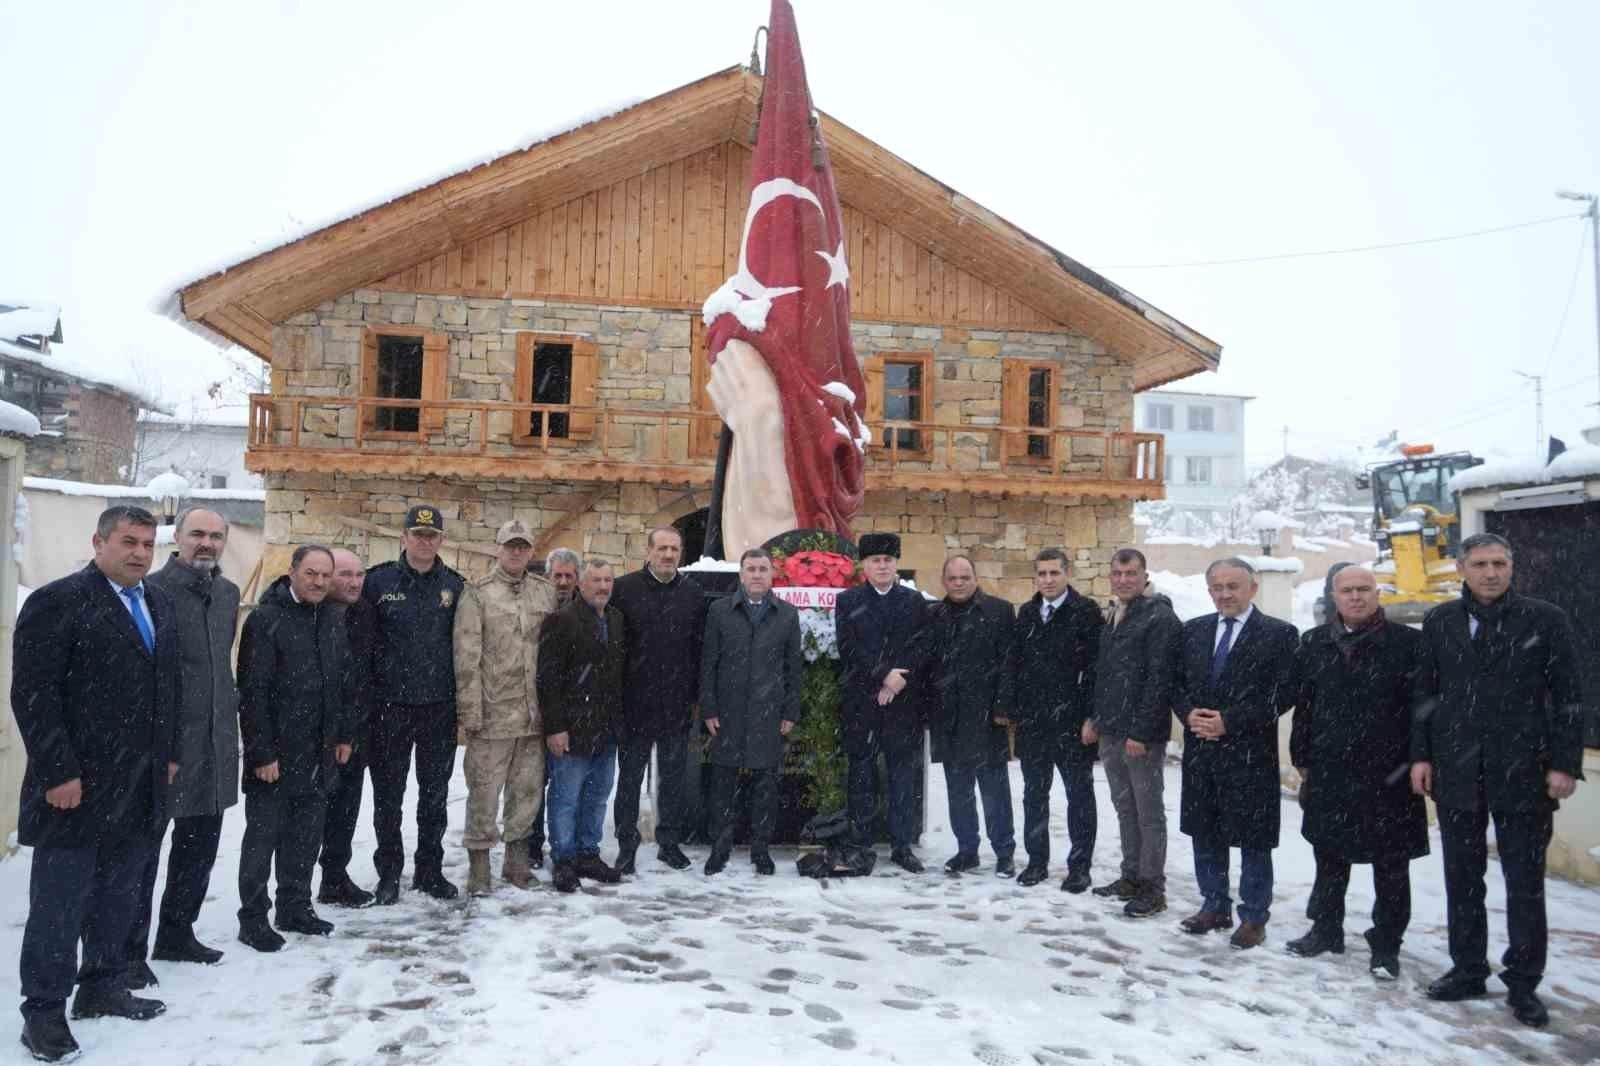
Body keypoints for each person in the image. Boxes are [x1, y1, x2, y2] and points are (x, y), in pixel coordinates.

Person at [12, 506, 180, 1061]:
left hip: (139, 783)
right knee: (59, 905)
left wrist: (170, 755)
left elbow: (169, 686)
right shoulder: (57, 601)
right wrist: (59, 772)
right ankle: (43, 1012)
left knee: (119, 894)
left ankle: (101, 985)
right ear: (98, 542)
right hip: (76, 786)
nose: (138, 553)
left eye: (147, 544)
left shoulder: (156, 601)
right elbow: (34, 695)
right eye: (128, 542)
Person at [1412, 533, 1586, 1027]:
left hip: (1526, 771)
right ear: (1462, 569)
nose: (1492, 573)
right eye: (1481, 564)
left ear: (1512, 567)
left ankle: (1524, 983)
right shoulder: (1441, 620)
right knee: (1462, 878)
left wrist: (1564, 763)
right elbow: (1426, 692)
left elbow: (1570, 695)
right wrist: (1421, 756)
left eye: (1501, 563)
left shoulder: (1545, 619)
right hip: (1457, 770)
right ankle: (1467, 969)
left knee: (1524, 884)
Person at [1288, 565, 1427, 979]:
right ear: (1334, 596)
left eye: (1364, 589)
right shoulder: (1314, 643)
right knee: (1328, 854)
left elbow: (1423, 710)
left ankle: (1386, 943)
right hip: (1330, 769)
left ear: (1377, 592)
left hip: (1391, 772)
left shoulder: (1409, 644)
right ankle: (1326, 929)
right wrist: (1302, 757)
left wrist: (1421, 758)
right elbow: (1305, 707)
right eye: (1347, 590)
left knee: (1391, 864)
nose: (1356, 597)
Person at [127, 507, 239, 980]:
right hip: (164, 747)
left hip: (214, 742)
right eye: (197, 534)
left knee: (199, 846)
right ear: (177, 536)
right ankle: (127, 953)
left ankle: (176, 933)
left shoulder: (229, 593)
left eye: (215, 536)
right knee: (141, 855)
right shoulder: (152, 591)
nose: (206, 543)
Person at [1173, 557, 1298, 950]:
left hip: (1248, 754)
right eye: (1217, 587)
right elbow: (1174, 683)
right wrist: (1188, 712)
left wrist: (1231, 721)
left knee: (1253, 839)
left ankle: (1254, 917)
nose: (1225, 594)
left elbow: (1284, 694)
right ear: (1208, 590)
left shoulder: (1279, 634)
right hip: (1201, 751)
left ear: (1252, 588)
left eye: (1233, 586)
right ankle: (1214, 905)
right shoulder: (1193, 631)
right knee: (1205, 832)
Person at [235, 546, 356, 952]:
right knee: (263, 839)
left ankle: (294, 906)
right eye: (311, 574)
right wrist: (261, 753)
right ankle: (252, 918)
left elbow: (339, 684)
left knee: (305, 837)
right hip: (275, 754)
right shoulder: (266, 620)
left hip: (318, 750)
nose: (319, 582)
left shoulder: (333, 620)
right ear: (291, 573)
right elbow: (252, 692)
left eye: (325, 575)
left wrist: (341, 736)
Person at [362, 504, 466, 903]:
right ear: (403, 538)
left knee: (434, 796)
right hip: (390, 708)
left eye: (432, 535)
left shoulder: (455, 587)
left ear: (441, 540)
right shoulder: (378, 582)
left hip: (438, 708)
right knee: (388, 796)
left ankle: (429, 870)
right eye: (417, 534)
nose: (425, 542)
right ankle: (389, 872)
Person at [453, 520, 559, 894]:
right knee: (483, 793)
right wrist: (470, 713)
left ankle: (516, 864)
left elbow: (554, 654)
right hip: (493, 716)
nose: (516, 552)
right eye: (510, 546)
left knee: (527, 793)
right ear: (497, 548)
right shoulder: (477, 594)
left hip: (534, 717)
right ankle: (479, 869)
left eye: (523, 546)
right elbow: (467, 657)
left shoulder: (546, 594)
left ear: (531, 551)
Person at [1083, 548, 1181, 917]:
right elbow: (1106, 674)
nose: (1123, 579)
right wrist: (1096, 718)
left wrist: (1140, 731)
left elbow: (1159, 681)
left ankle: (1153, 887)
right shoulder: (1116, 615)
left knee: (1148, 812)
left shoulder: (1159, 617)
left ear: (1145, 575)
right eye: (1118, 573)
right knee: (1125, 807)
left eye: (1131, 573)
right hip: (1111, 729)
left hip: (1141, 735)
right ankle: (1131, 875)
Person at [699, 548, 803, 875]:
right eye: (751, 569)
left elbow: (793, 668)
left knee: (765, 787)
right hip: (728, 712)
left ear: (772, 575)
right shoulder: (719, 611)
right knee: (723, 785)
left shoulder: (786, 614)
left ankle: (761, 849)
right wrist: (710, 707)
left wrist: (789, 711)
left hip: (768, 712)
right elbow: (709, 663)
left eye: (762, 569)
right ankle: (720, 847)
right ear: (741, 575)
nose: (757, 575)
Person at [1006, 548, 1103, 891]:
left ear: (1067, 574)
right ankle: (1036, 862)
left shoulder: (1086, 612)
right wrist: (1012, 711)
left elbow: (1096, 671)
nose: (1047, 580)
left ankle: (1080, 867)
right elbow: (1015, 665)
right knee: (1034, 795)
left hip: (1073, 724)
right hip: (1034, 724)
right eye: (1042, 574)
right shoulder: (1028, 613)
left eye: (1054, 573)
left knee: (1079, 796)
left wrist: (1093, 717)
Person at [610, 527, 705, 874]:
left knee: (673, 778)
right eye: (662, 548)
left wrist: (697, 697)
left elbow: (698, 651)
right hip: (635, 703)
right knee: (630, 778)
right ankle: (626, 843)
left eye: (674, 549)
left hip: (677, 704)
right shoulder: (624, 590)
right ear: (648, 551)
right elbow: (615, 649)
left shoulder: (692, 594)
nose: (668, 555)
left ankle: (669, 842)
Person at [835, 532, 931, 872]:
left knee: (902, 778)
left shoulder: (914, 601)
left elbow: (922, 646)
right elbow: (848, 649)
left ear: (896, 564)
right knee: (860, 775)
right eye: (876, 560)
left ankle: (901, 845)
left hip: (902, 704)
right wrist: (882, 675)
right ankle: (860, 842)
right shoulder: (848, 601)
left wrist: (899, 679)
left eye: (888, 560)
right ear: (865, 564)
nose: (882, 566)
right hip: (863, 700)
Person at [536, 558, 626, 893]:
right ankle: (564, 859)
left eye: (608, 581)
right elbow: (548, 680)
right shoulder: (561, 621)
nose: (603, 587)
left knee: (598, 797)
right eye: (596, 581)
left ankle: (589, 854)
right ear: (581, 584)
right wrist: (555, 728)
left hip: (606, 728)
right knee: (565, 798)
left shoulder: (616, 619)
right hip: (571, 728)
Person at [926, 555, 1017, 877]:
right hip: (949, 718)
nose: (959, 582)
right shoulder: (934, 614)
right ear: (944, 581)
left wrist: (1004, 708)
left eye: (965, 576)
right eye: (952, 578)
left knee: (994, 792)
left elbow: (1009, 664)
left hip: (986, 718)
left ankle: (1004, 852)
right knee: (958, 791)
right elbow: (929, 666)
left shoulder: (999, 611)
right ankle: (967, 850)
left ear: (975, 578)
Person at [317, 548, 378, 907]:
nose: (354, 582)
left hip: (354, 733)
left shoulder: (366, 614)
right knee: (306, 819)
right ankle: (290, 894)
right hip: (312, 734)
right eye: (345, 574)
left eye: (359, 574)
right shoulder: (305, 613)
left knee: (345, 812)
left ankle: (334, 878)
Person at [527, 547, 581, 868]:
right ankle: (532, 845)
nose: (562, 582)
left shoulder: (586, 610)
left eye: (568, 576)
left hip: (571, 711)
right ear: (547, 576)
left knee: (567, 787)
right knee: (534, 782)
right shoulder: (534, 605)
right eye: (557, 575)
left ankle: (566, 844)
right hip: (534, 708)